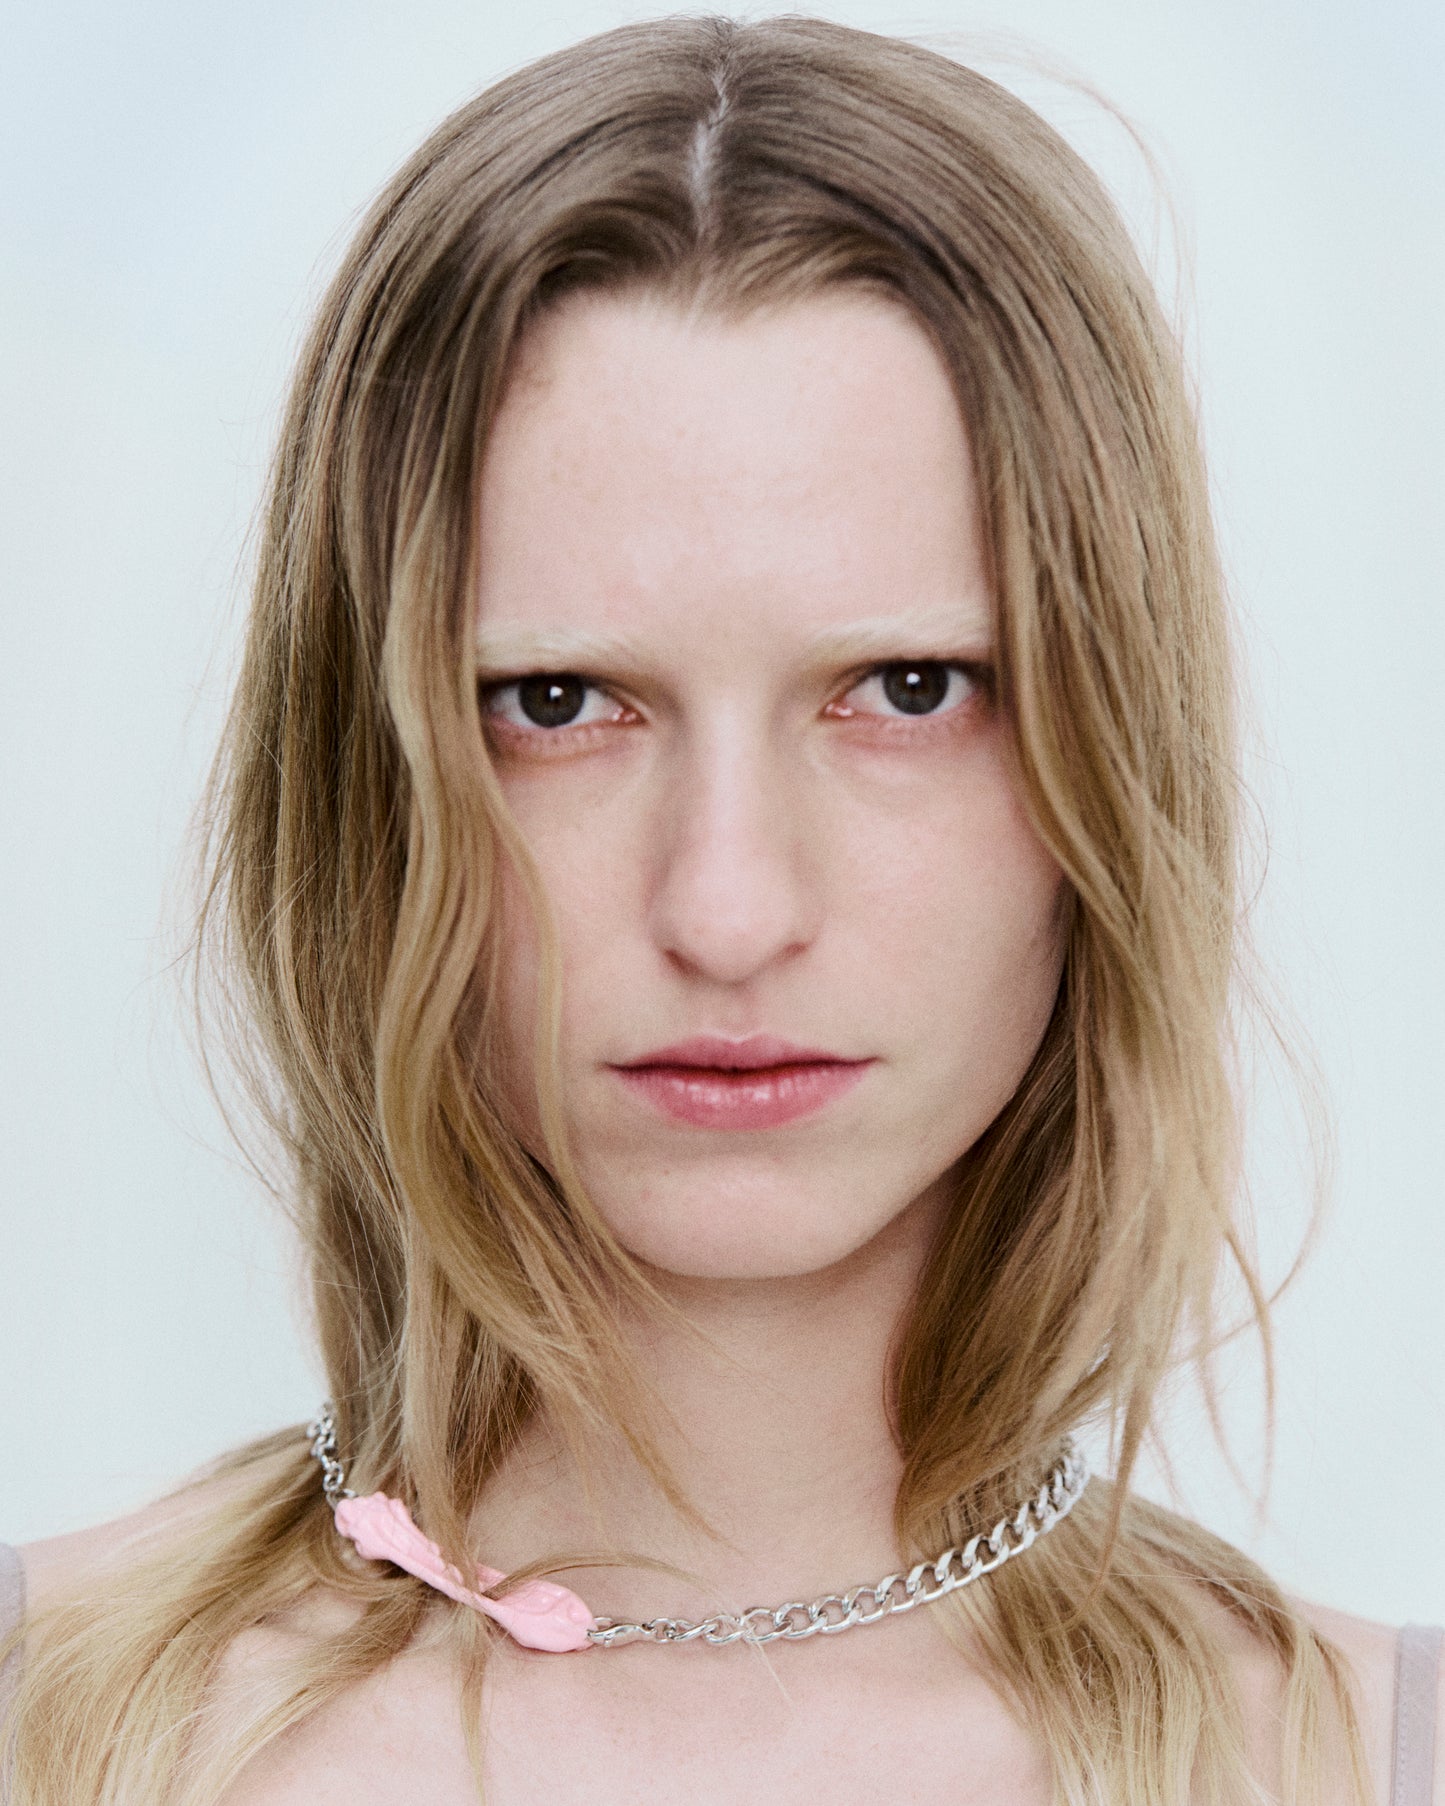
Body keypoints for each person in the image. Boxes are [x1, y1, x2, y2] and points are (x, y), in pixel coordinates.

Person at [0, 13, 1438, 1804]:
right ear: (360, 783)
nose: (729, 907)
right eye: (554, 703)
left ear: (1112, 764)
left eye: (907, 689)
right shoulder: (42, 1716)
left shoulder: (1370, 1753)